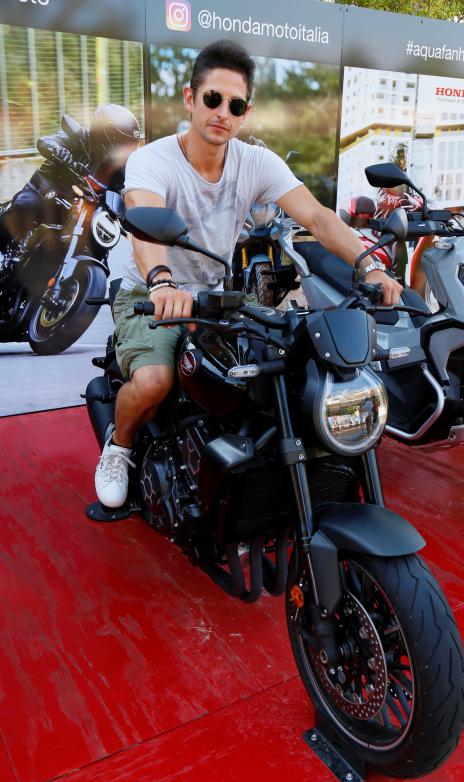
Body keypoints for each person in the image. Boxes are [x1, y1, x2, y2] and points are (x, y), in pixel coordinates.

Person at [95, 40, 402, 508]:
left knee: (291, 355)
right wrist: (161, 281)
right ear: (190, 98)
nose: (222, 112)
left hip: (216, 292)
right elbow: (144, 221)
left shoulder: (255, 162)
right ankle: (118, 448)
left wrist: (369, 266)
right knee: (155, 380)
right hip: (150, 290)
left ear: (245, 113)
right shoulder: (154, 160)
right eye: (212, 98)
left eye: (235, 105)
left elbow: (318, 218)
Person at [0, 104, 141, 247]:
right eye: (125, 144)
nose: (127, 152)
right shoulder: (80, 139)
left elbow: (126, 204)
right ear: (106, 137)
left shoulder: (121, 173)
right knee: (25, 206)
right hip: (44, 195)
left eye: (131, 146)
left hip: (77, 215)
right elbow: (45, 142)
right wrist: (61, 154)